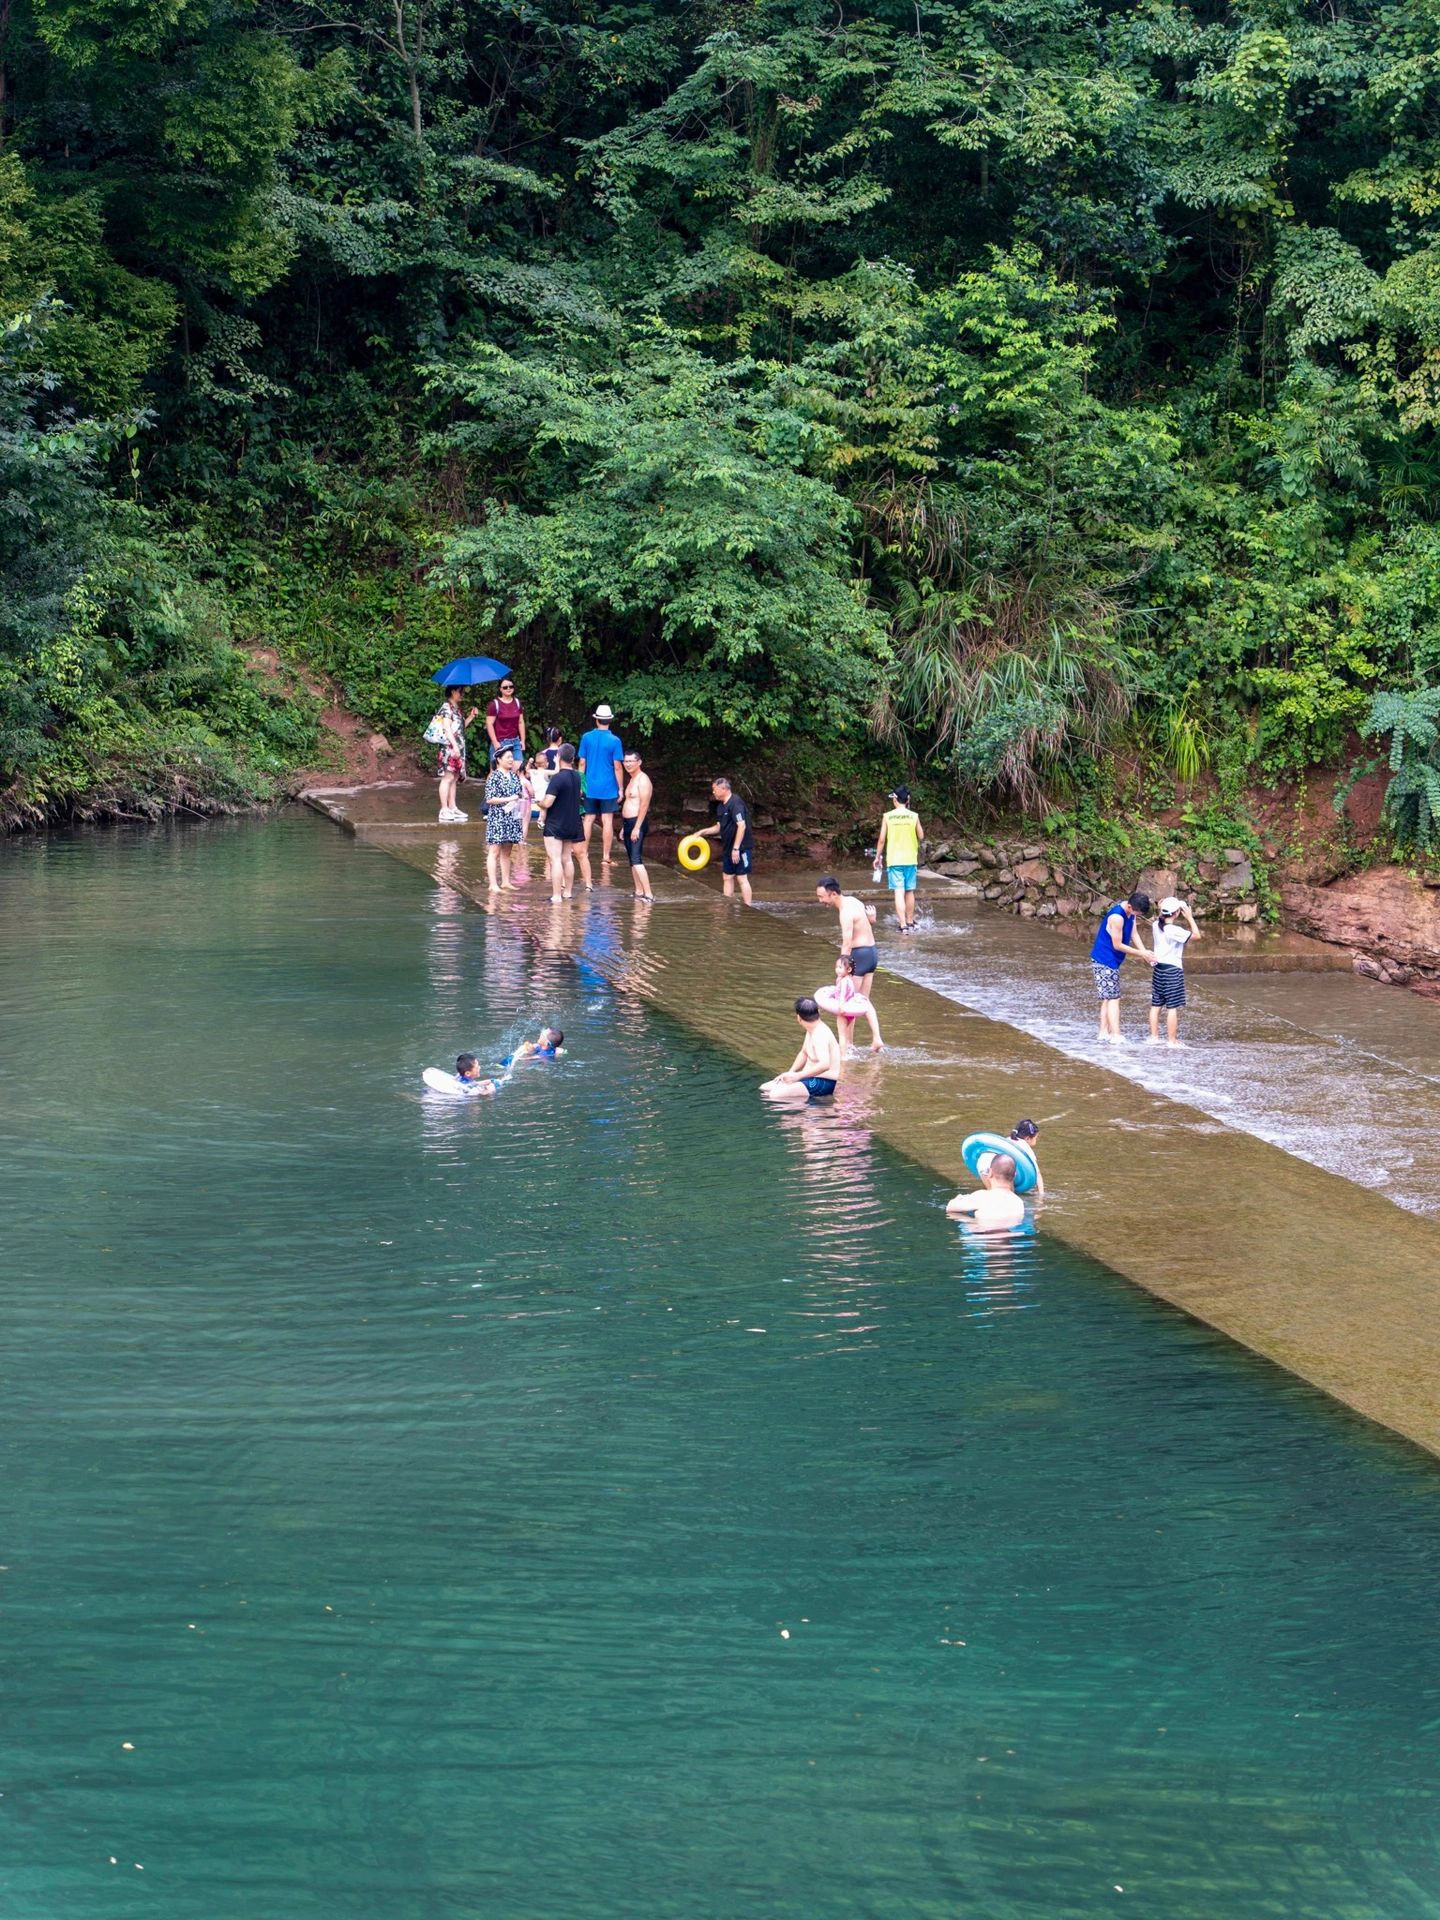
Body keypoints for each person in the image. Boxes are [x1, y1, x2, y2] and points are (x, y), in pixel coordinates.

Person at [1090, 890, 1154, 1042]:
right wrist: (1141, 954)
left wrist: (1145, 952)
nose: (1137, 916)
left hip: (1112, 960)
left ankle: (1103, 1032)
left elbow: (1134, 934)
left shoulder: (1130, 913)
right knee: (1114, 998)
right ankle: (1116, 1035)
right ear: (1130, 906)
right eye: (1137, 913)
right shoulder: (1117, 917)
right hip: (1105, 959)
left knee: (1107, 997)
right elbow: (1117, 945)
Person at [760, 997, 844, 1102]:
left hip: (825, 1081)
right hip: (808, 1076)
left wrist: (797, 1076)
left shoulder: (820, 1034)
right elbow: (803, 1053)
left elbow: (825, 1064)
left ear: (798, 1017)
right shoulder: (811, 1029)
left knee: (775, 1095)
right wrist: (790, 1073)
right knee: (765, 1088)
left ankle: (808, 1113)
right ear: (818, 1012)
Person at [1148, 895, 1201, 1047]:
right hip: (1172, 971)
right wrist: (1190, 918)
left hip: (1158, 968)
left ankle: (1154, 1037)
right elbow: (1197, 935)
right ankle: (1171, 1041)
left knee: (1156, 1005)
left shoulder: (1155, 925)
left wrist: (1166, 906)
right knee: (1172, 1007)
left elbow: (1162, 912)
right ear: (1177, 913)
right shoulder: (1174, 930)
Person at [816, 876, 879, 1001]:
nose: (820, 900)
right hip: (871, 953)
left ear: (833, 894)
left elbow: (847, 943)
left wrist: (841, 967)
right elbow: (863, 926)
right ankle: (874, 1022)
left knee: (846, 1001)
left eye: (821, 897)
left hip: (860, 955)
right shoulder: (853, 900)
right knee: (863, 1001)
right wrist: (872, 920)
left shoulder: (845, 912)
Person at [578, 703, 625, 866]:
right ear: (609, 720)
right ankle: (605, 856)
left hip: (590, 785)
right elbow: (617, 766)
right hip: (608, 787)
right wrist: (621, 788)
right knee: (607, 820)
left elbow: (582, 763)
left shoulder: (586, 737)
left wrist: (581, 785)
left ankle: (583, 851)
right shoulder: (615, 740)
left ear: (596, 720)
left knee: (589, 819)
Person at [539, 742, 585, 901]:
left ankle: (556, 896)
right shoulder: (577, 777)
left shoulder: (557, 779)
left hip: (555, 825)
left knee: (555, 859)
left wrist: (539, 802)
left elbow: (548, 802)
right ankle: (568, 893)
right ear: (573, 758)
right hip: (572, 823)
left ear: (558, 757)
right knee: (567, 858)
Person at [876, 784, 924, 933]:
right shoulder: (914, 816)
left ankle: (902, 925)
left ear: (895, 799)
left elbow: (882, 840)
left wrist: (877, 857)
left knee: (899, 891)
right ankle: (910, 922)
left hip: (895, 860)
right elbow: (921, 836)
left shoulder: (887, 816)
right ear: (908, 800)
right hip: (910, 859)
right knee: (909, 891)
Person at [698, 776, 753, 903]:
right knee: (727, 877)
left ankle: (749, 907)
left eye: (714, 789)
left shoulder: (736, 803)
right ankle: (728, 904)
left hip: (741, 847)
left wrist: (736, 848)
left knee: (741, 878)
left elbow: (742, 825)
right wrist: (703, 832)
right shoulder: (721, 807)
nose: (713, 792)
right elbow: (719, 827)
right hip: (728, 847)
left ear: (723, 789)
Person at [817, 955, 883, 1053]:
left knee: (842, 1036)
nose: (837, 970)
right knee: (845, 1036)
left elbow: (842, 995)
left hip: (844, 1011)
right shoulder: (849, 980)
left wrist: (841, 1007)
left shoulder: (843, 982)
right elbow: (841, 994)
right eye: (836, 967)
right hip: (851, 1012)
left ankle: (843, 1057)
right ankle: (849, 1050)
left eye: (840, 967)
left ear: (849, 969)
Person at [432, 684, 478, 825]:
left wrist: (471, 716)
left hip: (458, 746)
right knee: (448, 776)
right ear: (453, 692)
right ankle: (444, 808)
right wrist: (455, 746)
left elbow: (460, 727)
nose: (462, 694)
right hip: (449, 747)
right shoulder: (446, 707)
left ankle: (452, 807)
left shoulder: (456, 709)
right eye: (460, 691)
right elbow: (446, 729)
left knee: (455, 777)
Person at [946, 1154, 1026, 1229]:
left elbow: (950, 1208)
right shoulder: (1018, 1202)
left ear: (990, 1173)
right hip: (1011, 1239)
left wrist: (959, 1198)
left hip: (984, 1237)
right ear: (1014, 1176)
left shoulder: (982, 1196)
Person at [483, 744, 525, 890]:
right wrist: (508, 799)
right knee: (494, 851)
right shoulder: (494, 777)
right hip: (498, 818)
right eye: (508, 757)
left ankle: (506, 881)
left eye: (512, 757)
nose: (511, 760)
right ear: (499, 760)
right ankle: (493, 884)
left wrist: (519, 799)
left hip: (512, 817)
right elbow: (489, 799)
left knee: (507, 851)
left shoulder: (514, 776)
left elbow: (519, 794)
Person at [975, 1118, 1044, 1197]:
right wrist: (1041, 1195)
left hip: (982, 1164)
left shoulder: (1007, 1140)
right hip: (995, 1167)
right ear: (1028, 1138)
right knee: (1009, 1196)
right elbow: (1036, 1173)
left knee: (992, 1194)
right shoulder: (1025, 1147)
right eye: (1036, 1138)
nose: (1036, 1141)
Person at [620, 749, 654, 902]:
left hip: (637, 822)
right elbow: (629, 802)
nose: (627, 764)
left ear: (639, 762)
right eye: (625, 761)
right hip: (628, 823)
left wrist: (637, 827)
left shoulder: (643, 779)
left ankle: (649, 894)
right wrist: (624, 827)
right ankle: (638, 891)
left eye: (630, 761)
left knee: (636, 859)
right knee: (631, 860)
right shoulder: (632, 779)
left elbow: (644, 805)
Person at [485, 677, 526, 764]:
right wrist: (495, 742)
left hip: (515, 741)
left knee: (518, 768)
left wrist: (522, 740)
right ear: (500, 689)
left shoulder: (517, 702)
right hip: (501, 741)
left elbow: (521, 722)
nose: (508, 689)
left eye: (511, 686)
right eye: (505, 687)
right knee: (497, 771)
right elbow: (489, 724)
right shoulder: (494, 704)